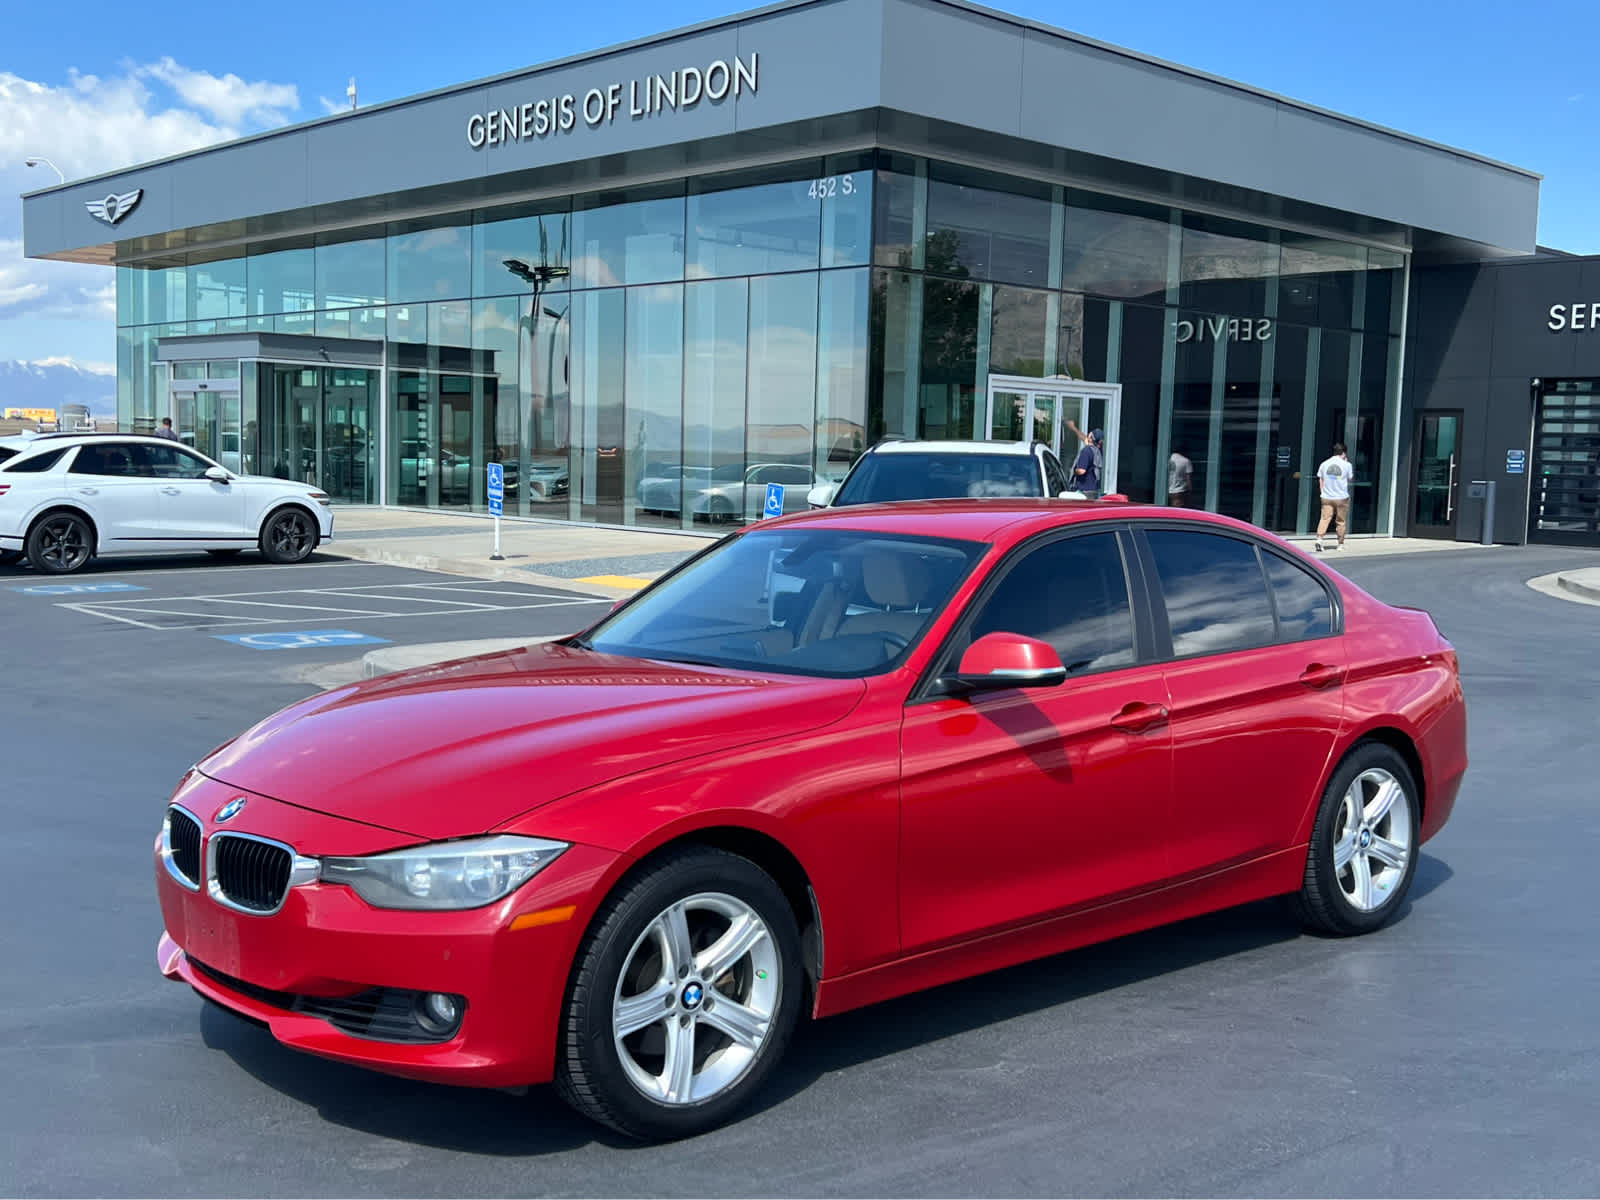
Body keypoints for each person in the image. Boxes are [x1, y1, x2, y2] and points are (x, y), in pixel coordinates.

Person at [1315, 441, 1353, 551]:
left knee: (1324, 518)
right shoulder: (1347, 465)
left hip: (1327, 496)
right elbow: (1350, 478)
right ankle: (1340, 544)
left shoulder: (1324, 463)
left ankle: (1319, 539)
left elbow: (1321, 479)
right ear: (1344, 453)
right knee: (1340, 521)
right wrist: (1346, 462)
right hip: (1341, 497)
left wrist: (1322, 492)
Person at [1065, 420, 1104, 498]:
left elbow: (1081, 471)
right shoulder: (1098, 450)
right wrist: (1073, 428)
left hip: (1083, 493)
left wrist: (1073, 470)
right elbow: (1085, 438)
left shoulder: (1086, 451)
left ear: (1091, 438)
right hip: (1094, 491)